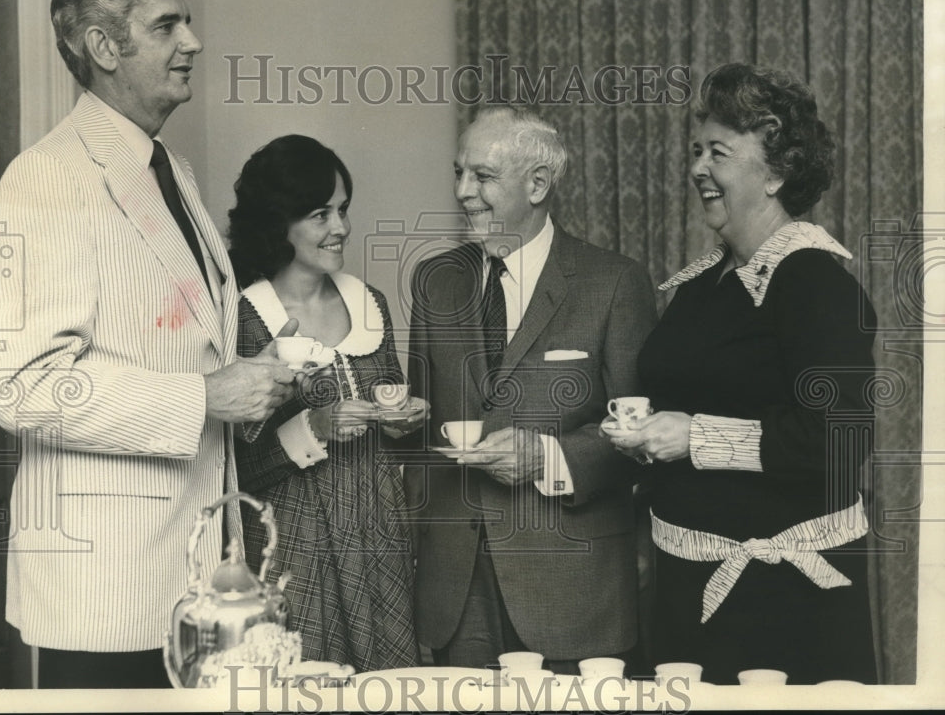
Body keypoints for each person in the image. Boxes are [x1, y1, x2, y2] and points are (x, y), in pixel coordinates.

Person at [0, 0, 295, 688]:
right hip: (104, 591)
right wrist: (205, 396)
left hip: (192, 580)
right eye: (166, 27)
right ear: (103, 47)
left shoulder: (170, 170)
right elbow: (20, 386)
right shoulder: (48, 178)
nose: (192, 42)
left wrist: (246, 384)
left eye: (186, 23)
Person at [606, 63, 878, 684]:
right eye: (697, 150)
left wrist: (692, 436)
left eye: (719, 153)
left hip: (783, 601)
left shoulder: (815, 282)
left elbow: (840, 439)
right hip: (689, 585)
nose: (699, 167)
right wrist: (642, 435)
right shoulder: (704, 284)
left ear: (777, 172)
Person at [403, 105, 658, 674]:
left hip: (574, 586)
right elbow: (422, 429)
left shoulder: (614, 282)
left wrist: (547, 456)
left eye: (483, 177)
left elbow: (641, 436)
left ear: (538, 184)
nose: (463, 191)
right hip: (455, 585)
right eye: (459, 172)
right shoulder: (435, 280)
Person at [228, 135, 424, 672]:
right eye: (320, 214)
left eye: (342, 210)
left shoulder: (369, 302)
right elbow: (234, 463)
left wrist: (403, 419)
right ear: (279, 222)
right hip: (292, 545)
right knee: (302, 686)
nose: (339, 227)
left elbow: (390, 404)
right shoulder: (245, 317)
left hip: (378, 535)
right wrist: (314, 425)